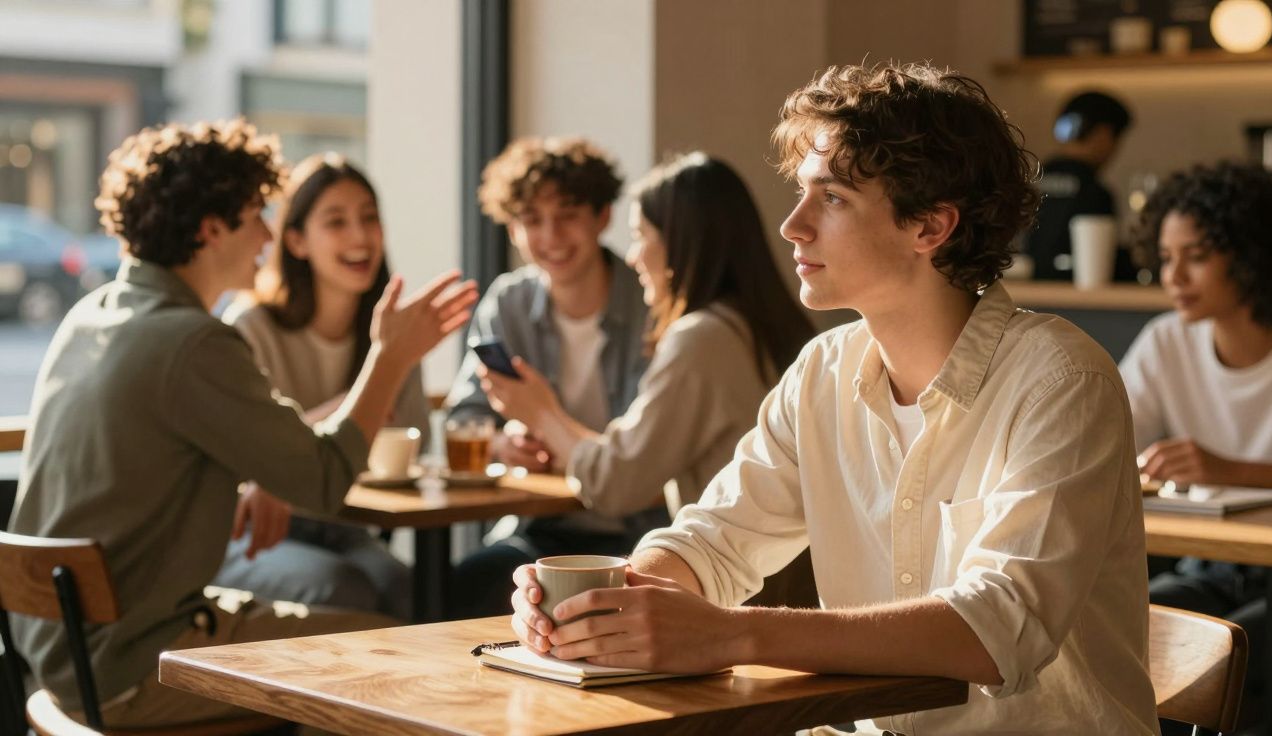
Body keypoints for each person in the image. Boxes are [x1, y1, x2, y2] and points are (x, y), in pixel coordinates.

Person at [509, 63, 1160, 734]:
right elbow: (713, 541)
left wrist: (732, 634)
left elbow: (998, 628)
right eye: (802, 194)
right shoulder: (823, 370)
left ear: (930, 226)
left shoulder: (1061, 380)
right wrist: (610, 604)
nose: (793, 225)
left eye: (833, 198)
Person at [7, 120, 477, 729]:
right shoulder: (193, 342)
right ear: (210, 230)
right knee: (404, 657)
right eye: (256, 215)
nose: (267, 234)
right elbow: (324, 479)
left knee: (382, 624)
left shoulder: (93, 315)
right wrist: (389, 357)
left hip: (61, 653)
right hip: (133, 664)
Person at [464, 153, 817, 616]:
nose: (632, 256)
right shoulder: (767, 327)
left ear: (679, 242)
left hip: (728, 589)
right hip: (766, 583)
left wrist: (542, 413)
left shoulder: (701, 338)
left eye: (639, 237)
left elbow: (617, 483)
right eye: (531, 220)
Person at [1120, 162, 1272, 732]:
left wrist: (1229, 469)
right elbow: (1106, 444)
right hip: (1210, 565)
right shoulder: (1166, 341)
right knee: (1127, 633)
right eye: (1166, 257)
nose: (1173, 275)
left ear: (1253, 256)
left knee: (1228, 654)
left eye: (1197, 256)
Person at [445, 137, 657, 607]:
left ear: (602, 216)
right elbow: (464, 419)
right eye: (531, 220)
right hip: (539, 528)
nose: (551, 236)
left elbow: (647, 456)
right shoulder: (508, 303)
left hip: (640, 531)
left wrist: (547, 420)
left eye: (567, 215)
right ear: (512, 229)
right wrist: (504, 443)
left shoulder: (648, 304)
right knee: (470, 581)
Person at [210, 153, 425, 620]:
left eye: (369, 218)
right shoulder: (251, 327)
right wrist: (356, 401)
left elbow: (412, 442)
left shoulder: (391, 330)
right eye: (336, 221)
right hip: (249, 532)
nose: (360, 236)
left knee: (410, 589)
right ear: (296, 241)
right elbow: (249, 459)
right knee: (345, 588)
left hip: (345, 528)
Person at [1024, 90, 1133, 280]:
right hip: (1074, 295)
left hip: (1024, 290)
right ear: (1103, 134)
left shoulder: (1028, 183)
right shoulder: (1095, 194)